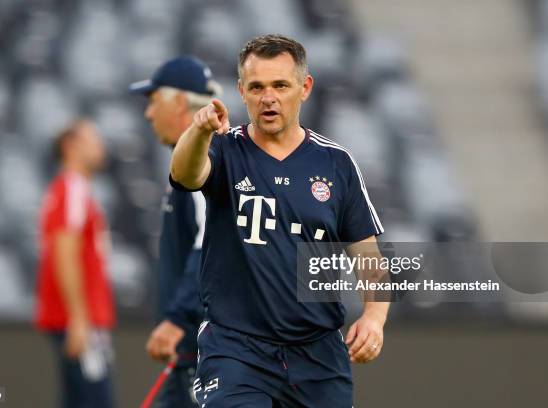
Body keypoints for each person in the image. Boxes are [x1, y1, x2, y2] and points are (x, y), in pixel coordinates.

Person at [170, 34, 389, 407]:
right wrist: (199, 129)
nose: (267, 97)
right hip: (236, 348)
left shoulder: (336, 164)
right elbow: (185, 175)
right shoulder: (224, 148)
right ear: (241, 91)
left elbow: (369, 258)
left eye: (280, 85)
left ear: (304, 88)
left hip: (317, 353)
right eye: (256, 87)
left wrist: (373, 317)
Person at [129, 56, 220, 407]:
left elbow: (206, 250)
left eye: (154, 101)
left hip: (201, 350)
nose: (149, 114)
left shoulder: (204, 163)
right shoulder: (190, 162)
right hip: (191, 349)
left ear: (180, 102)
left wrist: (177, 319)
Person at [35, 119, 116, 408]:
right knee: (95, 399)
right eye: (92, 140)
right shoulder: (72, 189)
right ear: (71, 146)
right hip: (82, 319)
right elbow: (65, 251)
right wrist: (79, 318)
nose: (100, 146)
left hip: (78, 317)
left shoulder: (66, 190)